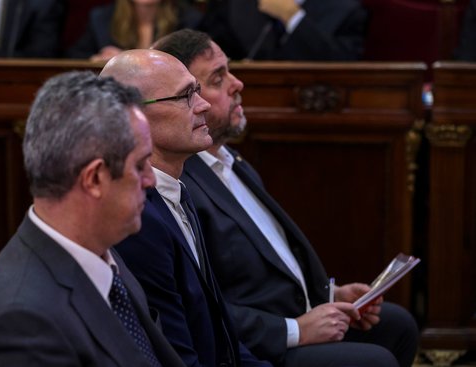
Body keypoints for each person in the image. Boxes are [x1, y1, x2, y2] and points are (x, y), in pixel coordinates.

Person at [153, 29, 420, 367]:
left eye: (230, 71)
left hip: (292, 314)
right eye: (218, 79)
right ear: (186, 100)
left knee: (397, 325)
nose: (238, 85)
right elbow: (206, 304)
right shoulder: (183, 181)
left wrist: (327, 294)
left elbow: (271, 264)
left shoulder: (233, 161)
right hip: (257, 344)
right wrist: (295, 329)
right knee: (374, 360)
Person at [0, 70, 186, 367]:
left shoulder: (105, 255)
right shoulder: (22, 324)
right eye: (141, 165)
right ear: (93, 179)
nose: (151, 180)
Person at [100, 49, 271, 367]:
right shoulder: (140, 221)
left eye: (197, 90)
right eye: (185, 96)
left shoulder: (178, 190)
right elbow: (178, 355)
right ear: (131, 115)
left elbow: (222, 335)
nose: (203, 104)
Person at [199, 0, 367, 61]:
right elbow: (206, 52)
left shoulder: (347, 9)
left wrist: (293, 18)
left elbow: (342, 63)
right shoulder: (231, 4)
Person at [66, 0, 201, 61]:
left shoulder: (189, 19)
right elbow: (75, 56)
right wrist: (96, 59)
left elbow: (193, 61)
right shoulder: (102, 18)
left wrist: (124, 59)